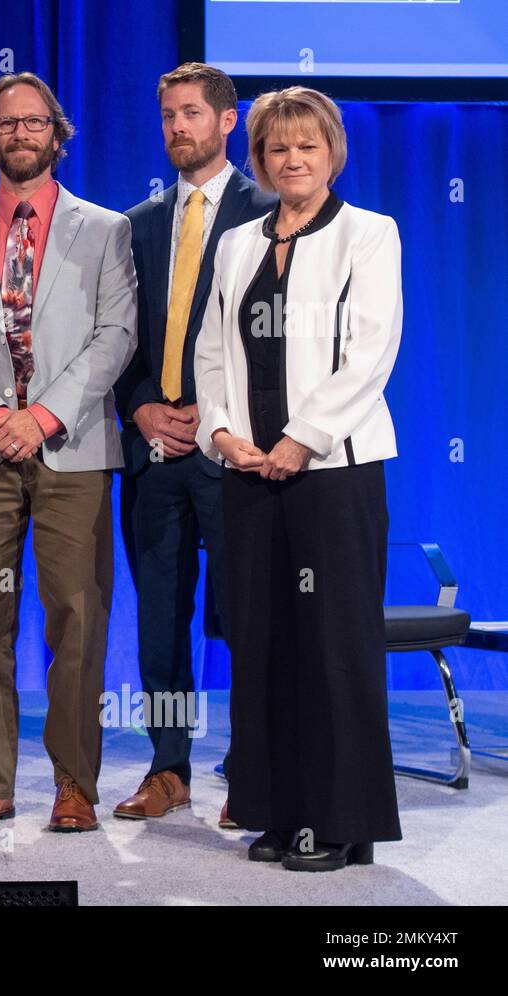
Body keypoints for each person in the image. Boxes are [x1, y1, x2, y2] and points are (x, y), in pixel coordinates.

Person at [193, 85, 403, 871]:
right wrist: (221, 430)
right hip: (250, 473)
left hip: (332, 474)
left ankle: (344, 825)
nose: (292, 159)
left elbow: (370, 352)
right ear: (260, 158)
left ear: (332, 153)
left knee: (333, 646)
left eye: (307, 146)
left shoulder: (368, 234)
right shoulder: (239, 242)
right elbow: (212, 350)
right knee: (264, 644)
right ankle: (280, 814)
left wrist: (301, 441)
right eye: (278, 147)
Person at [0, 72, 136, 832]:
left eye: (33, 122)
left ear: (56, 133)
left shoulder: (106, 229)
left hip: (71, 447)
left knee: (77, 617)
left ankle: (74, 783)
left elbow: (116, 336)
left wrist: (41, 416)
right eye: (6, 124)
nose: (20, 134)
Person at [113, 63, 275, 825]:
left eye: (192, 114)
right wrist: (143, 409)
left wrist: (212, 417)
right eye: (169, 115)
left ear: (227, 121)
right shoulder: (137, 224)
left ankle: (252, 769)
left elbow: (272, 352)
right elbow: (118, 340)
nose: (179, 127)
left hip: (234, 449)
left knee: (247, 617)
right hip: (156, 452)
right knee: (160, 623)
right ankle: (169, 767)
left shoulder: (270, 212)